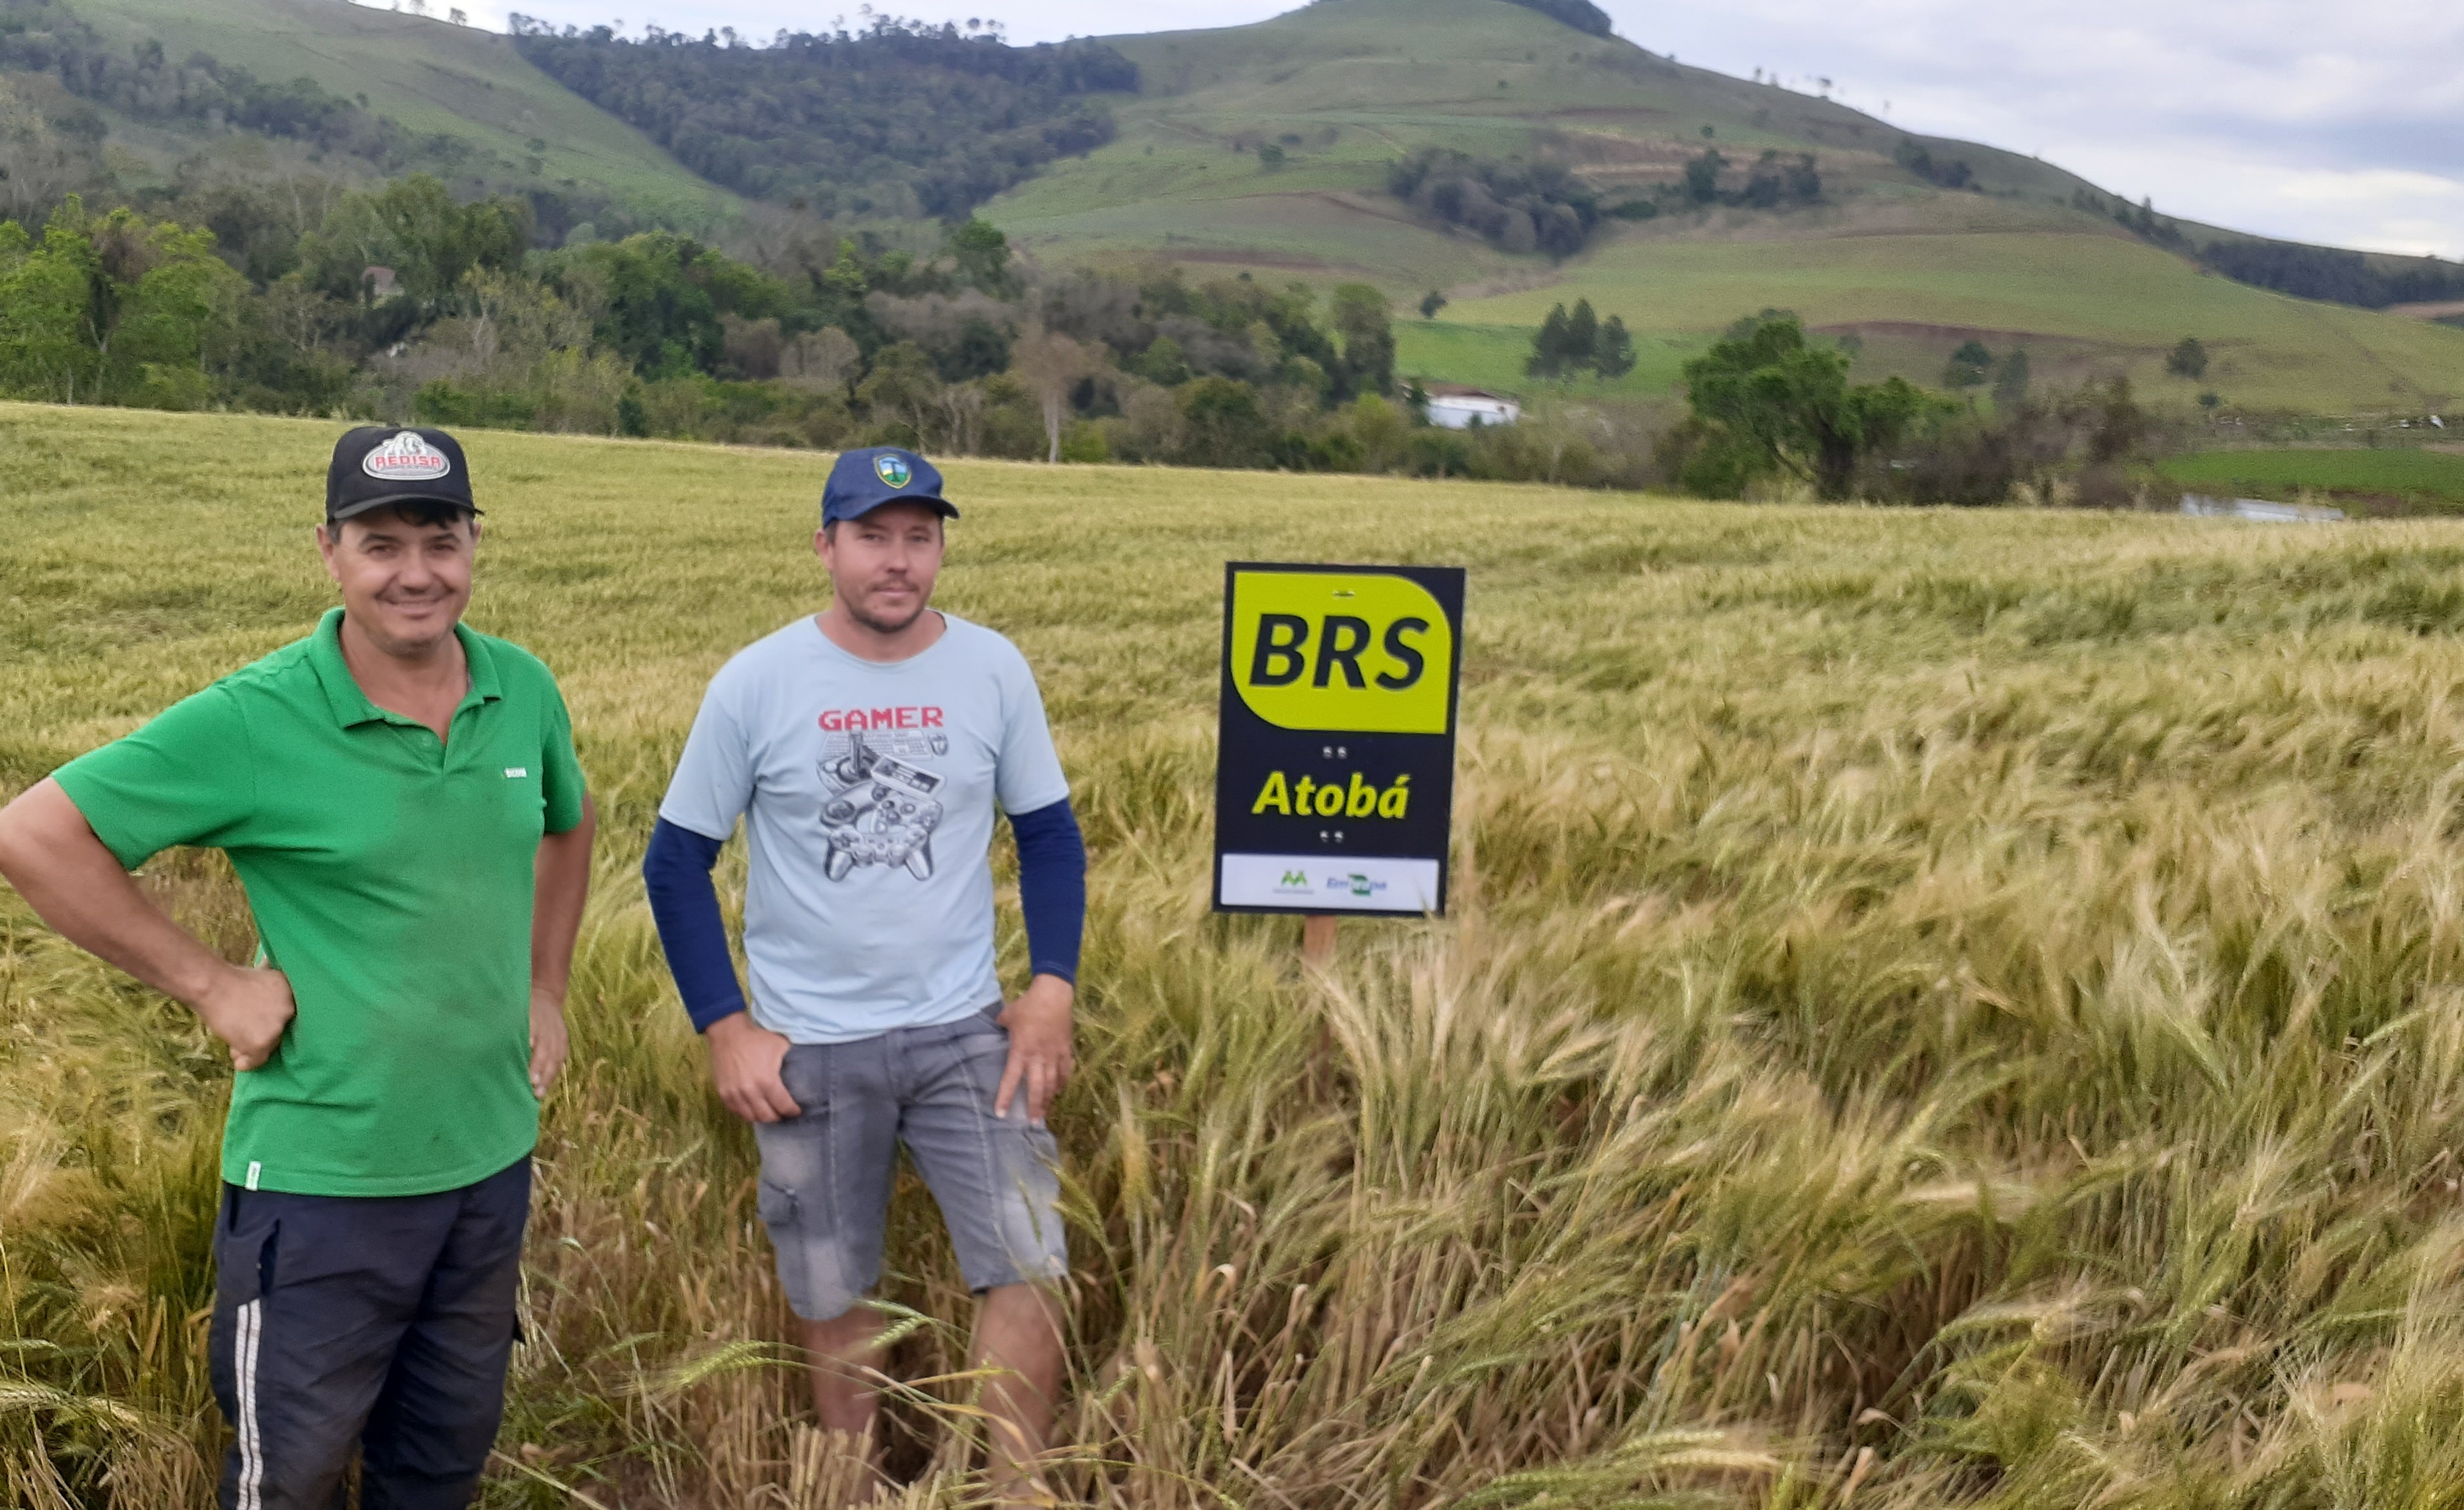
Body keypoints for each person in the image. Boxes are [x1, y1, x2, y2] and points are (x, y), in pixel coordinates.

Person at [0, 426, 595, 1510]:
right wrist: (212, 982)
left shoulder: (522, 687)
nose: (415, 571)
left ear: (474, 543)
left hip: (489, 1158)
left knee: (439, 1463)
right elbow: (36, 834)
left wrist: (544, 985)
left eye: (440, 537)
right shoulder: (258, 716)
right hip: (323, 1188)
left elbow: (569, 820)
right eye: (381, 543)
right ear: (329, 550)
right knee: (293, 1478)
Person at [642, 446, 1086, 1503]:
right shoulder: (758, 681)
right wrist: (725, 1025)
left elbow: (1051, 836)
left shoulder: (992, 668)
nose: (899, 561)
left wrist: (1052, 985)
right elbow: (675, 858)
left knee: (1030, 1260)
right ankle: (848, 1483)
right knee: (833, 1285)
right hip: (810, 1046)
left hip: (967, 1031)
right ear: (825, 546)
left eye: (919, 537)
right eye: (873, 536)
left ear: (939, 547)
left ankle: (1014, 1488)